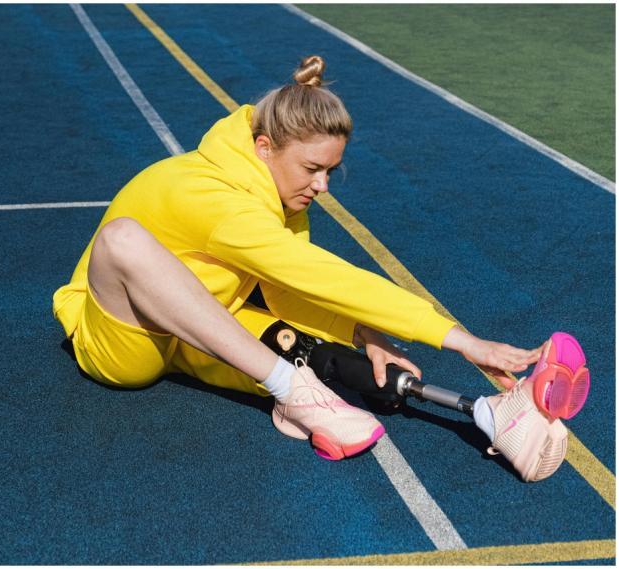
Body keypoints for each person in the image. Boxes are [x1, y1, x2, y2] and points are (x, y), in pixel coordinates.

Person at [53, 55, 570, 482]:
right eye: (311, 169)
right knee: (122, 240)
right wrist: (460, 340)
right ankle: (292, 392)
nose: (322, 185)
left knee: (326, 354)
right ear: (264, 148)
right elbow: (316, 273)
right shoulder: (213, 197)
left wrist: (363, 333)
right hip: (124, 342)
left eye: (330, 170)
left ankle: (494, 415)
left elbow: (286, 291)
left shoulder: (281, 196)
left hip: (200, 328)